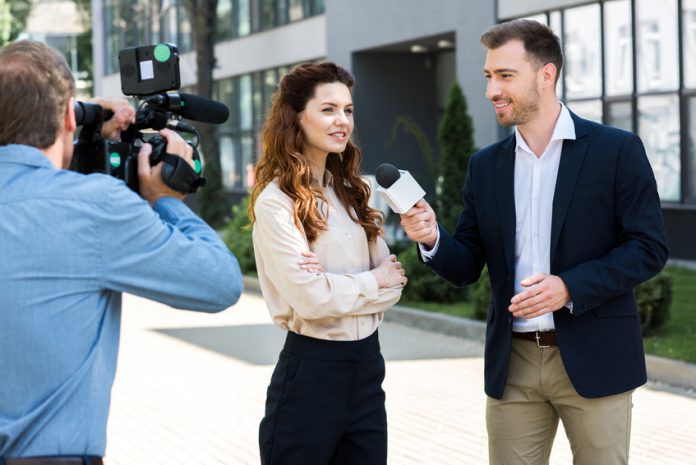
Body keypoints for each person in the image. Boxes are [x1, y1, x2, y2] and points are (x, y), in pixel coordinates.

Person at [400, 19, 668, 465]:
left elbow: (648, 247)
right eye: (489, 76)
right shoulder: (485, 166)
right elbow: (466, 264)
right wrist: (431, 238)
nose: (492, 90)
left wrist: (569, 287)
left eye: (505, 76)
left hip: (596, 355)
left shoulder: (616, 150)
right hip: (515, 363)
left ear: (547, 75)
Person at [0, 41, 243, 464]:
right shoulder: (95, 206)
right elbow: (219, 283)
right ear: (66, 118)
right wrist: (168, 198)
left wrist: (85, 127)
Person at [249, 62, 406, 465]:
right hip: (311, 372)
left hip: (368, 368)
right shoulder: (277, 204)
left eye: (348, 110)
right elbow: (313, 302)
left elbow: (394, 286)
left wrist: (342, 285)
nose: (342, 121)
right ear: (296, 116)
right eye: (328, 109)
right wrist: (371, 281)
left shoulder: (357, 193)